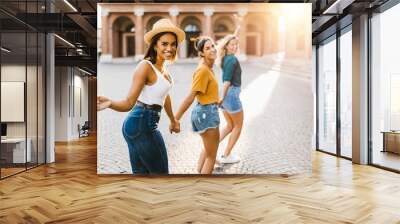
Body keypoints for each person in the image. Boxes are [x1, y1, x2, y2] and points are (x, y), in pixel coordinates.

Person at [97, 19, 185, 174]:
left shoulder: (163, 69)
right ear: (155, 44)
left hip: (140, 125)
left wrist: (173, 120)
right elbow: (129, 102)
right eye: (164, 44)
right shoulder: (145, 67)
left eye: (173, 44)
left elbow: (165, 96)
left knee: (141, 175)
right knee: (161, 174)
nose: (169, 48)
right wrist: (110, 102)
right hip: (141, 125)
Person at [175, 36, 220, 174]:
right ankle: (202, 190)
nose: (212, 49)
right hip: (207, 113)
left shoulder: (207, 67)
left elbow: (205, 93)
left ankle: (199, 176)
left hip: (206, 110)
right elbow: (190, 97)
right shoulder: (203, 70)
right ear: (201, 53)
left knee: (208, 151)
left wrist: (217, 100)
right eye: (207, 48)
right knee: (211, 157)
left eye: (212, 46)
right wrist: (175, 119)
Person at [215, 26, 243, 164]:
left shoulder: (224, 58)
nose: (235, 47)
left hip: (226, 96)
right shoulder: (232, 60)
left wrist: (236, 31)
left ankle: (212, 148)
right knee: (238, 126)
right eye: (232, 45)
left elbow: (232, 39)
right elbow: (226, 81)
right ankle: (226, 156)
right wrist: (222, 98)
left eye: (236, 45)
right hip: (230, 94)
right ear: (226, 46)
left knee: (229, 126)